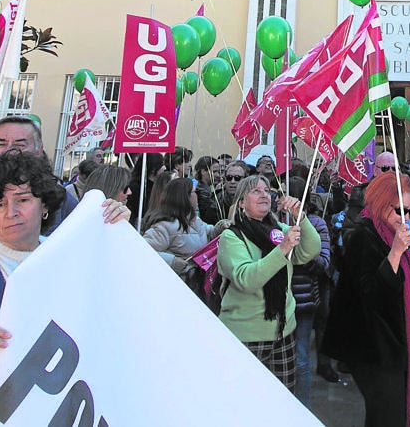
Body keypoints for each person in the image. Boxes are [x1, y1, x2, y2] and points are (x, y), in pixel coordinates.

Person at [0, 152, 130, 425]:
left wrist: (119, 230)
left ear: (45, 206)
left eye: (23, 200)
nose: (11, 212)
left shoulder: (67, 257)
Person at [322, 173, 410, 427]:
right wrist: (396, 252)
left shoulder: (388, 232)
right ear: (381, 204)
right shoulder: (363, 235)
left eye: (409, 211)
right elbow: (371, 293)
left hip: (388, 342)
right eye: (400, 210)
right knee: (387, 416)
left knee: (389, 415)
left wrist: (407, 254)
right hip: (369, 346)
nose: (406, 218)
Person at [216, 174, 321, 390]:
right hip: (246, 335)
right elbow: (245, 279)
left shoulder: (278, 229)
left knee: (283, 398)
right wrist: (282, 249)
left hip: (282, 332)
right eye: (255, 191)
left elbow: (309, 251)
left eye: (266, 190)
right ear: (242, 202)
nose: (264, 194)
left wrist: (300, 218)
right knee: (247, 401)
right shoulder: (231, 237)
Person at [288, 183, 332, 407]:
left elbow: (324, 262)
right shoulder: (273, 223)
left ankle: (302, 408)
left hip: (303, 301)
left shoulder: (317, 223)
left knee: (301, 358)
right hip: (276, 302)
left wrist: (302, 249)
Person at [141, 177, 218, 272]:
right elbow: (143, 251)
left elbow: (210, 232)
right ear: (185, 197)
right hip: (175, 282)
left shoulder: (195, 220)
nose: (197, 196)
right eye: (194, 192)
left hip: (195, 282)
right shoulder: (164, 227)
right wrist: (172, 261)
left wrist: (222, 226)